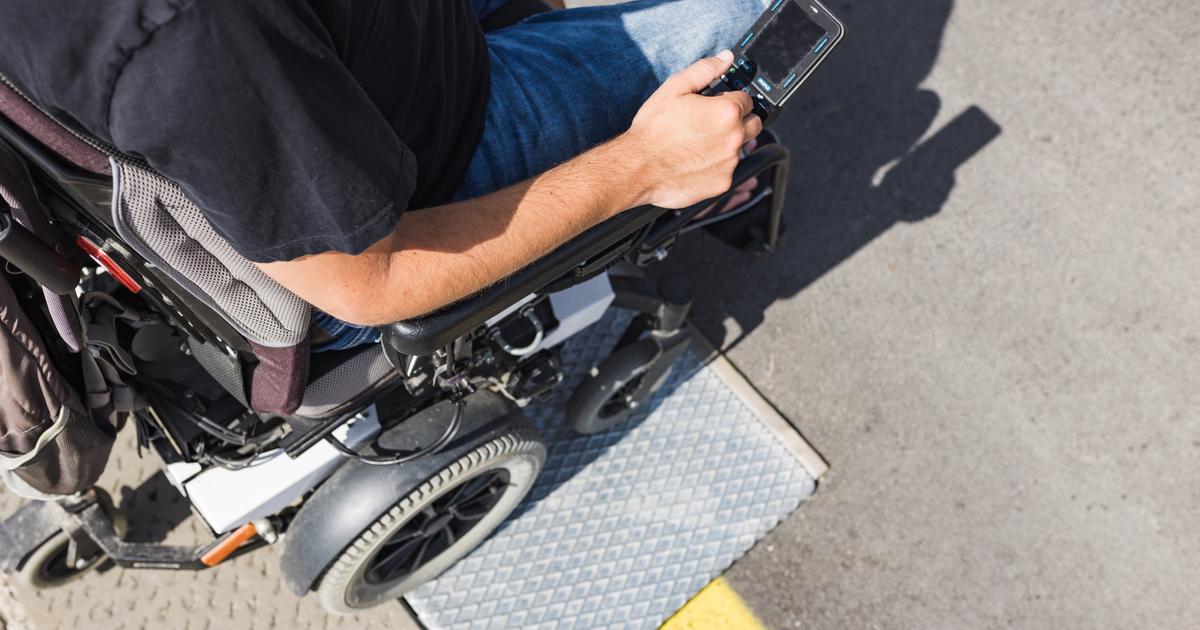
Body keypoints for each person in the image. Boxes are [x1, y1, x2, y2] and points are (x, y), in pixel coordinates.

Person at [0, 0, 769, 350]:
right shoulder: (187, 36)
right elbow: (371, 284)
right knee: (752, 15)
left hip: (355, 53)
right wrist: (645, 168)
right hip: (418, 185)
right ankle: (714, 182)